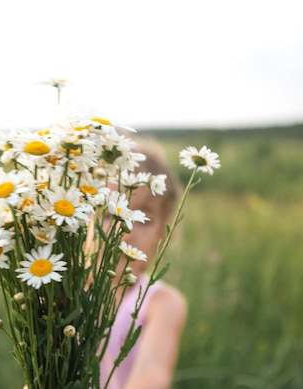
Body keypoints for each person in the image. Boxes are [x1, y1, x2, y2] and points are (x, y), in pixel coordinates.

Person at [99, 140, 188, 389]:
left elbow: (152, 378)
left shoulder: (161, 304)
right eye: (110, 214)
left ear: (164, 231)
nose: (125, 232)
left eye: (144, 218)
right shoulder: (60, 296)